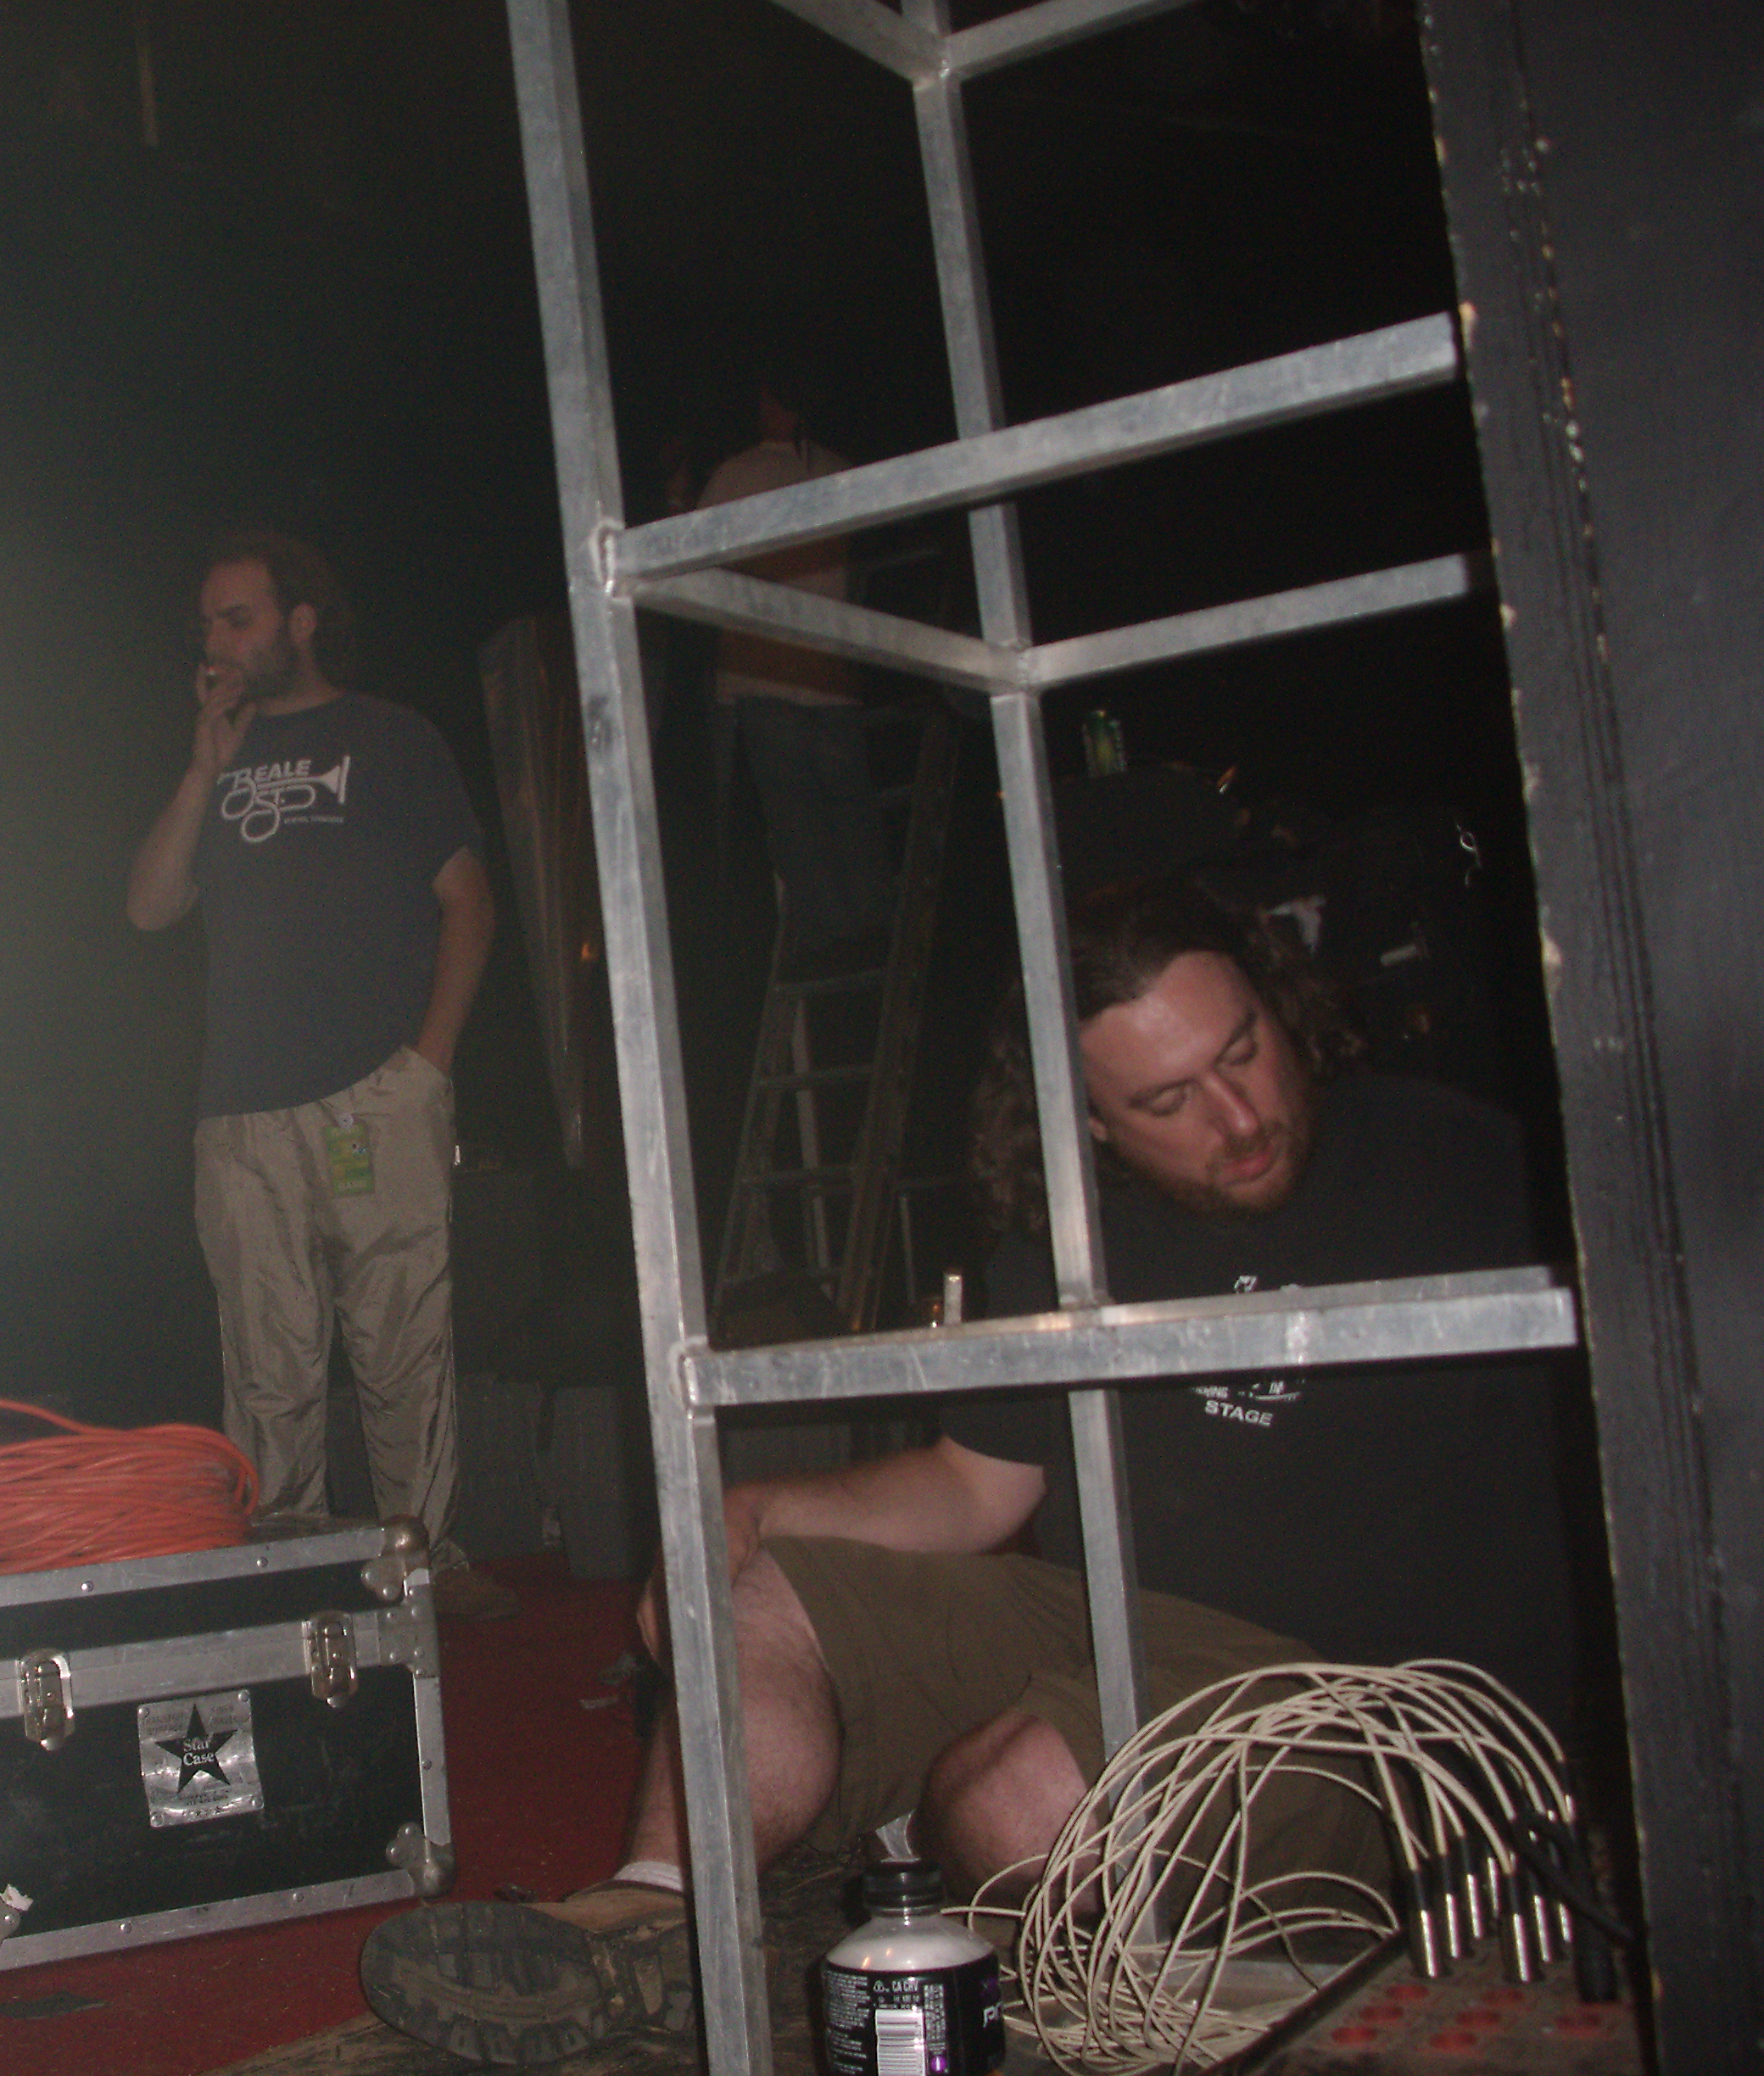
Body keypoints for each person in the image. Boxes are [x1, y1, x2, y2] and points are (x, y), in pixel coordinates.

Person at [359, 872, 1579, 2062]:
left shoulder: (1466, 1165)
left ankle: (956, 1866)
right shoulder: (1073, 1227)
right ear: (1088, 1119)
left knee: (1011, 1797)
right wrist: (755, 1511)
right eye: (1167, 1100)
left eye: (1244, 1052)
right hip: (1141, 1634)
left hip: (1370, 1704)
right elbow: (976, 1487)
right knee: (751, 1595)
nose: (1241, 1117)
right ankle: (655, 1923)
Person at [127, 532, 513, 1622]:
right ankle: (285, 1582)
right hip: (242, 1113)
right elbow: (149, 908)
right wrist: (202, 768)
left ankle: (420, 1563)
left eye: (237, 618)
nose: (215, 642)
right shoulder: (219, 760)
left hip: (373, 1098)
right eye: (207, 624)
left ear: (300, 622)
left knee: (402, 1346)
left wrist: (427, 1067)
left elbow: (469, 903)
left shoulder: (391, 737)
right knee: (268, 1363)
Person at [699, 377, 890, 970]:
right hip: (831, 674)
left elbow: (691, 556)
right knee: (848, 806)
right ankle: (869, 921)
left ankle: (828, 934)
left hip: (764, 670)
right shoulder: (839, 470)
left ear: (776, 405)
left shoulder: (737, 475)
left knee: (793, 811)